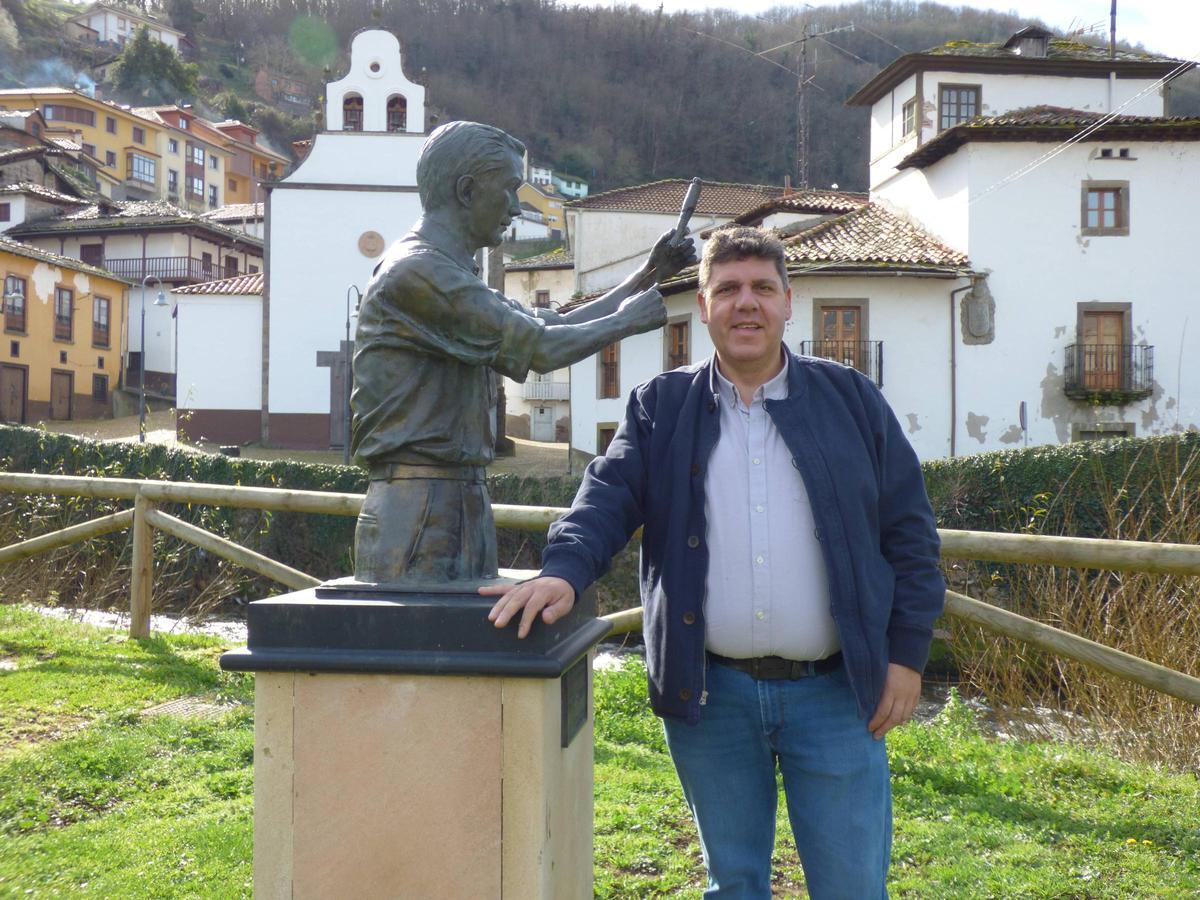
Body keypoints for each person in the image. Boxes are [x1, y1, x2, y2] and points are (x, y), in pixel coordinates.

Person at [482, 227, 945, 898]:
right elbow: (606, 498)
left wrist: (907, 654)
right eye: (727, 289)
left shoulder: (852, 401)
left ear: (790, 302)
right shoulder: (660, 408)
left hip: (839, 694)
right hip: (712, 697)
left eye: (761, 287)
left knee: (851, 886)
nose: (745, 304)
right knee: (734, 884)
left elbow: (910, 533)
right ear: (703, 308)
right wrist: (563, 569)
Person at [350, 120, 695, 584]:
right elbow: (539, 347)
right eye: (509, 189)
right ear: (468, 190)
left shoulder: (450, 270)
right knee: (421, 651)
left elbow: (547, 325)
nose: (516, 206)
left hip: (455, 497)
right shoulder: (419, 273)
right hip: (417, 506)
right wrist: (627, 322)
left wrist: (651, 272)